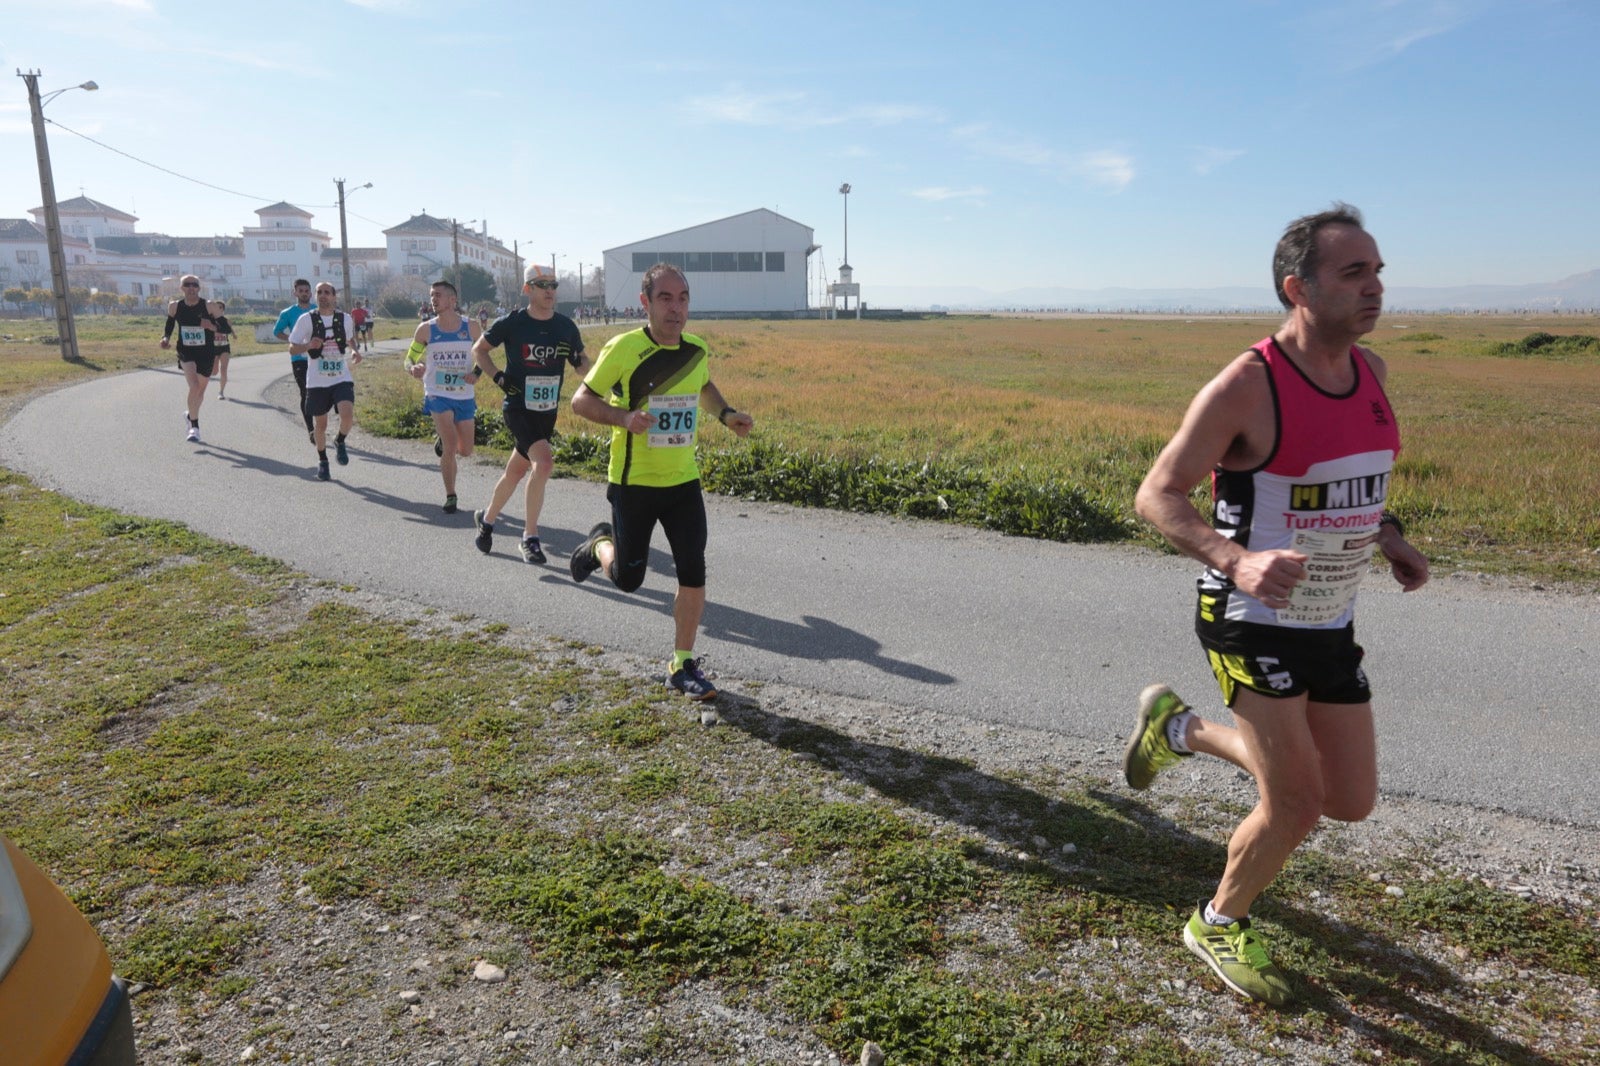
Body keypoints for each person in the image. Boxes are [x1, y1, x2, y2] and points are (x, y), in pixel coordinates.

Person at [1125, 204, 1430, 1006]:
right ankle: (1217, 922)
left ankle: (1180, 730)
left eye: (1378, 271)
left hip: (1329, 616)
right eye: (1353, 273)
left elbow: (1355, 484)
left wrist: (1389, 536)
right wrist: (1238, 561)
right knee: (1296, 802)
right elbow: (1157, 495)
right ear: (1298, 288)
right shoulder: (1248, 385)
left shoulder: (1372, 374)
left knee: (1348, 800)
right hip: (1247, 616)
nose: (1375, 288)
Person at [568, 263, 754, 702]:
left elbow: (703, 386)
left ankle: (681, 664)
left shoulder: (696, 350)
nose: (676, 308)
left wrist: (726, 414)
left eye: (683, 298)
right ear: (645, 303)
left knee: (693, 568)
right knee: (629, 579)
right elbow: (581, 401)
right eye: (666, 298)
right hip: (633, 482)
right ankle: (599, 545)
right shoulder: (624, 348)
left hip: (683, 481)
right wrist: (623, 418)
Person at [468, 263, 588, 564]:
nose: (550, 291)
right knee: (544, 464)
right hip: (518, 407)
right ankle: (530, 538)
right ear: (527, 289)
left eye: (553, 285)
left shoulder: (565, 326)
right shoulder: (512, 323)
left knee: (515, 472)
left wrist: (587, 368)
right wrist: (498, 377)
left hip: (547, 412)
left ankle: (487, 519)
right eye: (542, 285)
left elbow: (582, 365)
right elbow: (479, 350)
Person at [406, 280, 482, 513]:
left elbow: (484, 356)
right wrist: (413, 368)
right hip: (437, 393)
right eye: (431, 295)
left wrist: (476, 373)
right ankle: (451, 495)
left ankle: (442, 439)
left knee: (466, 450)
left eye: (438, 295)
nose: (433, 299)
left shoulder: (472, 327)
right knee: (450, 445)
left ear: (452, 300)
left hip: (464, 394)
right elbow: (409, 358)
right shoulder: (426, 329)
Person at [287, 282, 363, 481]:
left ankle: (340, 440)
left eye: (327, 292)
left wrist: (355, 351)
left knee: (347, 416)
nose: (322, 295)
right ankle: (323, 460)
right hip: (317, 381)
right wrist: (307, 346)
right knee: (320, 425)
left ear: (334, 297)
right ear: (315, 296)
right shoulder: (306, 320)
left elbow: (349, 339)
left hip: (341, 377)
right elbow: (292, 348)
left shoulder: (345, 319)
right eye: (319, 292)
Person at [159, 275, 216, 442]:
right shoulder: (174, 306)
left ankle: (190, 415)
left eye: (194, 285)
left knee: (200, 392)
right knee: (194, 386)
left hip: (206, 352)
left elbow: (221, 326)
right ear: (181, 288)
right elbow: (170, 324)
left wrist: (211, 326)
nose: (191, 287)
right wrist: (165, 338)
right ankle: (194, 427)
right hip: (186, 351)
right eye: (187, 284)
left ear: (199, 288)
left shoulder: (209, 305)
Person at [273, 278, 318, 442]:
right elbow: (277, 332)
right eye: (301, 291)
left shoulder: (317, 310)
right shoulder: (288, 313)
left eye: (306, 291)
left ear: (310, 293)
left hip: (317, 358)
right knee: (305, 392)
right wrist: (293, 340)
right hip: (299, 358)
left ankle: (320, 425)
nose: (304, 293)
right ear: (295, 293)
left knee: (319, 392)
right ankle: (311, 429)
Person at [208, 299, 234, 399]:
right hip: (213, 348)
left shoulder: (225, 320)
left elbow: (229, 330)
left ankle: (221, 392)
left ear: (223, 309)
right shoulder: (210, 320)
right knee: (214, 372)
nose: (218, 309)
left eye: (220, 307)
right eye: (216, 307)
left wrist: (233, 334)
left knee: (223, 369)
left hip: (224, 347)